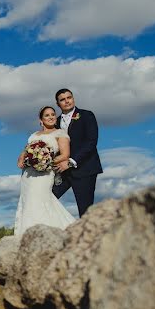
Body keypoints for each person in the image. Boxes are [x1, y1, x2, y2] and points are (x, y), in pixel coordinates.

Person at [14, 106, 76, 237]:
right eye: (47, 115)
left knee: (40, 200)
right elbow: (26, 151)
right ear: (41, 120)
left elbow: (65, 154)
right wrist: (21, 158)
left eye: (53, 114)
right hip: (27, 175)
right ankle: (24, 236)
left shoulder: (60, 133)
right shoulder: (34, 135)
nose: (51, 117)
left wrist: (46, 162)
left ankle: (47, 236)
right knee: (27, 201)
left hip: (45, 173)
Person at [52, 88, 102, 216]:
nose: (67, 101)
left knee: (85, 211)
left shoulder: (87, 115)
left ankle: (89, 235)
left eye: (69, 97)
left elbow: (91, 141)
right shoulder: (55, 122)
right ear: (58, 104)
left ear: (73, 98)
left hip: (84, 169)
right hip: (62, 171)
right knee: (47, 196)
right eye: (62, 99)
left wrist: (70, 162)